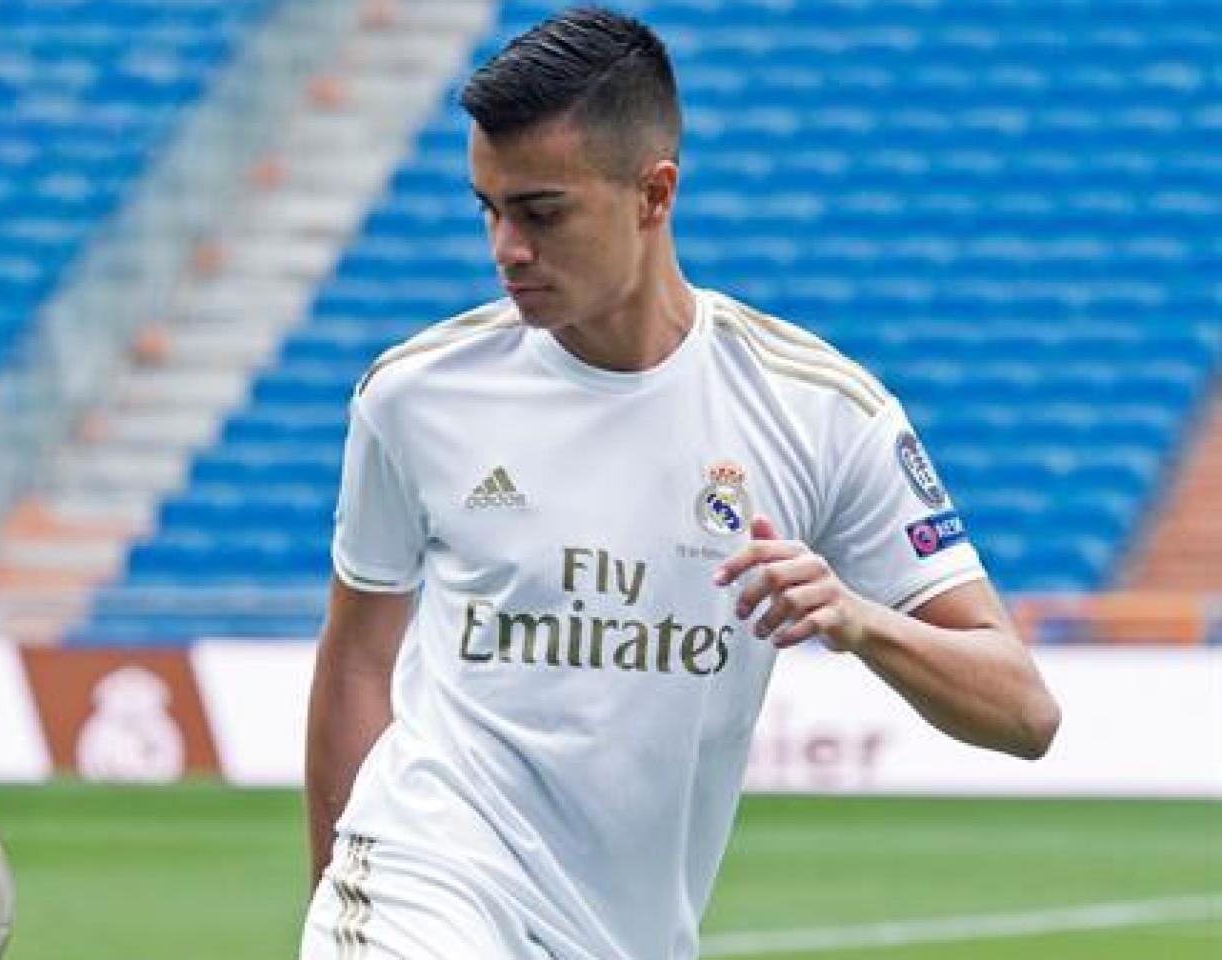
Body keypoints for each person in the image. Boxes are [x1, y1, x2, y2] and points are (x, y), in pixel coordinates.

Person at [299, 7, 1061, 959]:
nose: (505, 250)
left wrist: (859, 619)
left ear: (653, 194)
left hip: (626, 931)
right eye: (488, 210)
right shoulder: (413, 395)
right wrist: (340, 898)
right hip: (426, 875)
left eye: (541, 213)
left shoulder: (819, 409)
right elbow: (358, 659)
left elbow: (1024, 712)